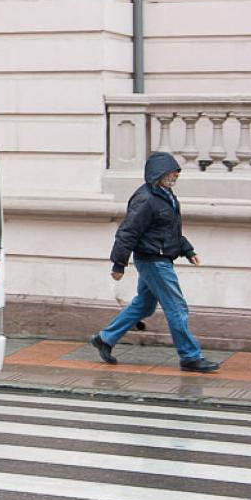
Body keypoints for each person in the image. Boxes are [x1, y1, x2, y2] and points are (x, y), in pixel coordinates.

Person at [90, 151, 219, 373]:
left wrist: (187, 249)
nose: (175, 176)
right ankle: (190, 356)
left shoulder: (165, 195)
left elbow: (168, 230)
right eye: (171, 172)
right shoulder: (146, 199)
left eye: (176, 172)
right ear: (157, 174)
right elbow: (127, 233)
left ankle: (105, 338)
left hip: (158, 258)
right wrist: (118, 264)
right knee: (177, 307)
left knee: (144, 305)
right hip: (154, 261)